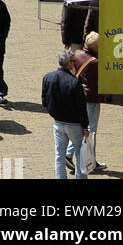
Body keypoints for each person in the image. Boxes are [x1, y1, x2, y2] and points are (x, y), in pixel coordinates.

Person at [42, 49, 89, 180]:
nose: (74, 63)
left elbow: (44, 101)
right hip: (74, 124)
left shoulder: (48, 77)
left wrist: (54, 113)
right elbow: (81, 107)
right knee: (80, 153)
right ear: (68, 63)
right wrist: (85, 126)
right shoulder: (74, 82)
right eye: (73, 61)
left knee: (59, 154)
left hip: (58, 123)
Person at [74, 33, 104, 174]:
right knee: (90, 132)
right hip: (92, 98)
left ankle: (85, 158)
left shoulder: (78, 54)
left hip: (81, 96)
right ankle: (88, 161)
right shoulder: (95, 62)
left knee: (82, 128)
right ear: (96, 47)